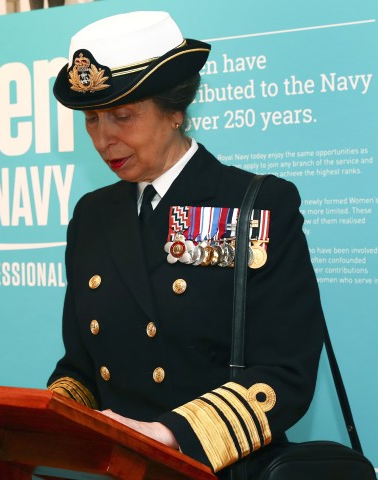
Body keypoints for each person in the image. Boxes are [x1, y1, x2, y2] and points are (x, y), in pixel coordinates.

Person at [46, 11, 325, 479]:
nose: (102, 138)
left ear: (175, 110)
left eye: (122, 116)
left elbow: (286, 373)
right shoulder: (93, 216)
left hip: (213, 467)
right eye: (91, 119)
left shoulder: (255, 204)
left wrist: (171, 433)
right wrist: (49, 413)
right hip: (118, 468)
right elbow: (82, 365)